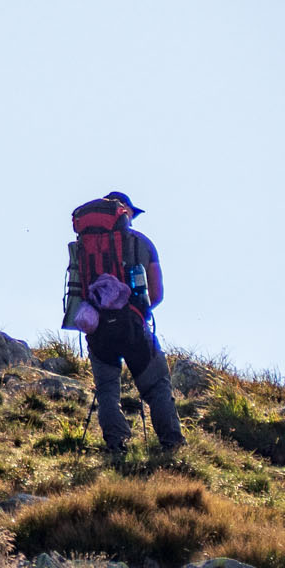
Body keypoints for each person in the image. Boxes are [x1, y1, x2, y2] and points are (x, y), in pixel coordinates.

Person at [85, 191, 184, 456]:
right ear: (124, 212)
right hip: (133, 325)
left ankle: (116, 444)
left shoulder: (84, 245)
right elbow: (157, 292)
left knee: (107, 389)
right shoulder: (143, 243)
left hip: (97, 329)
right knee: (156, 385)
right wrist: (142, 311)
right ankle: (171, 444)